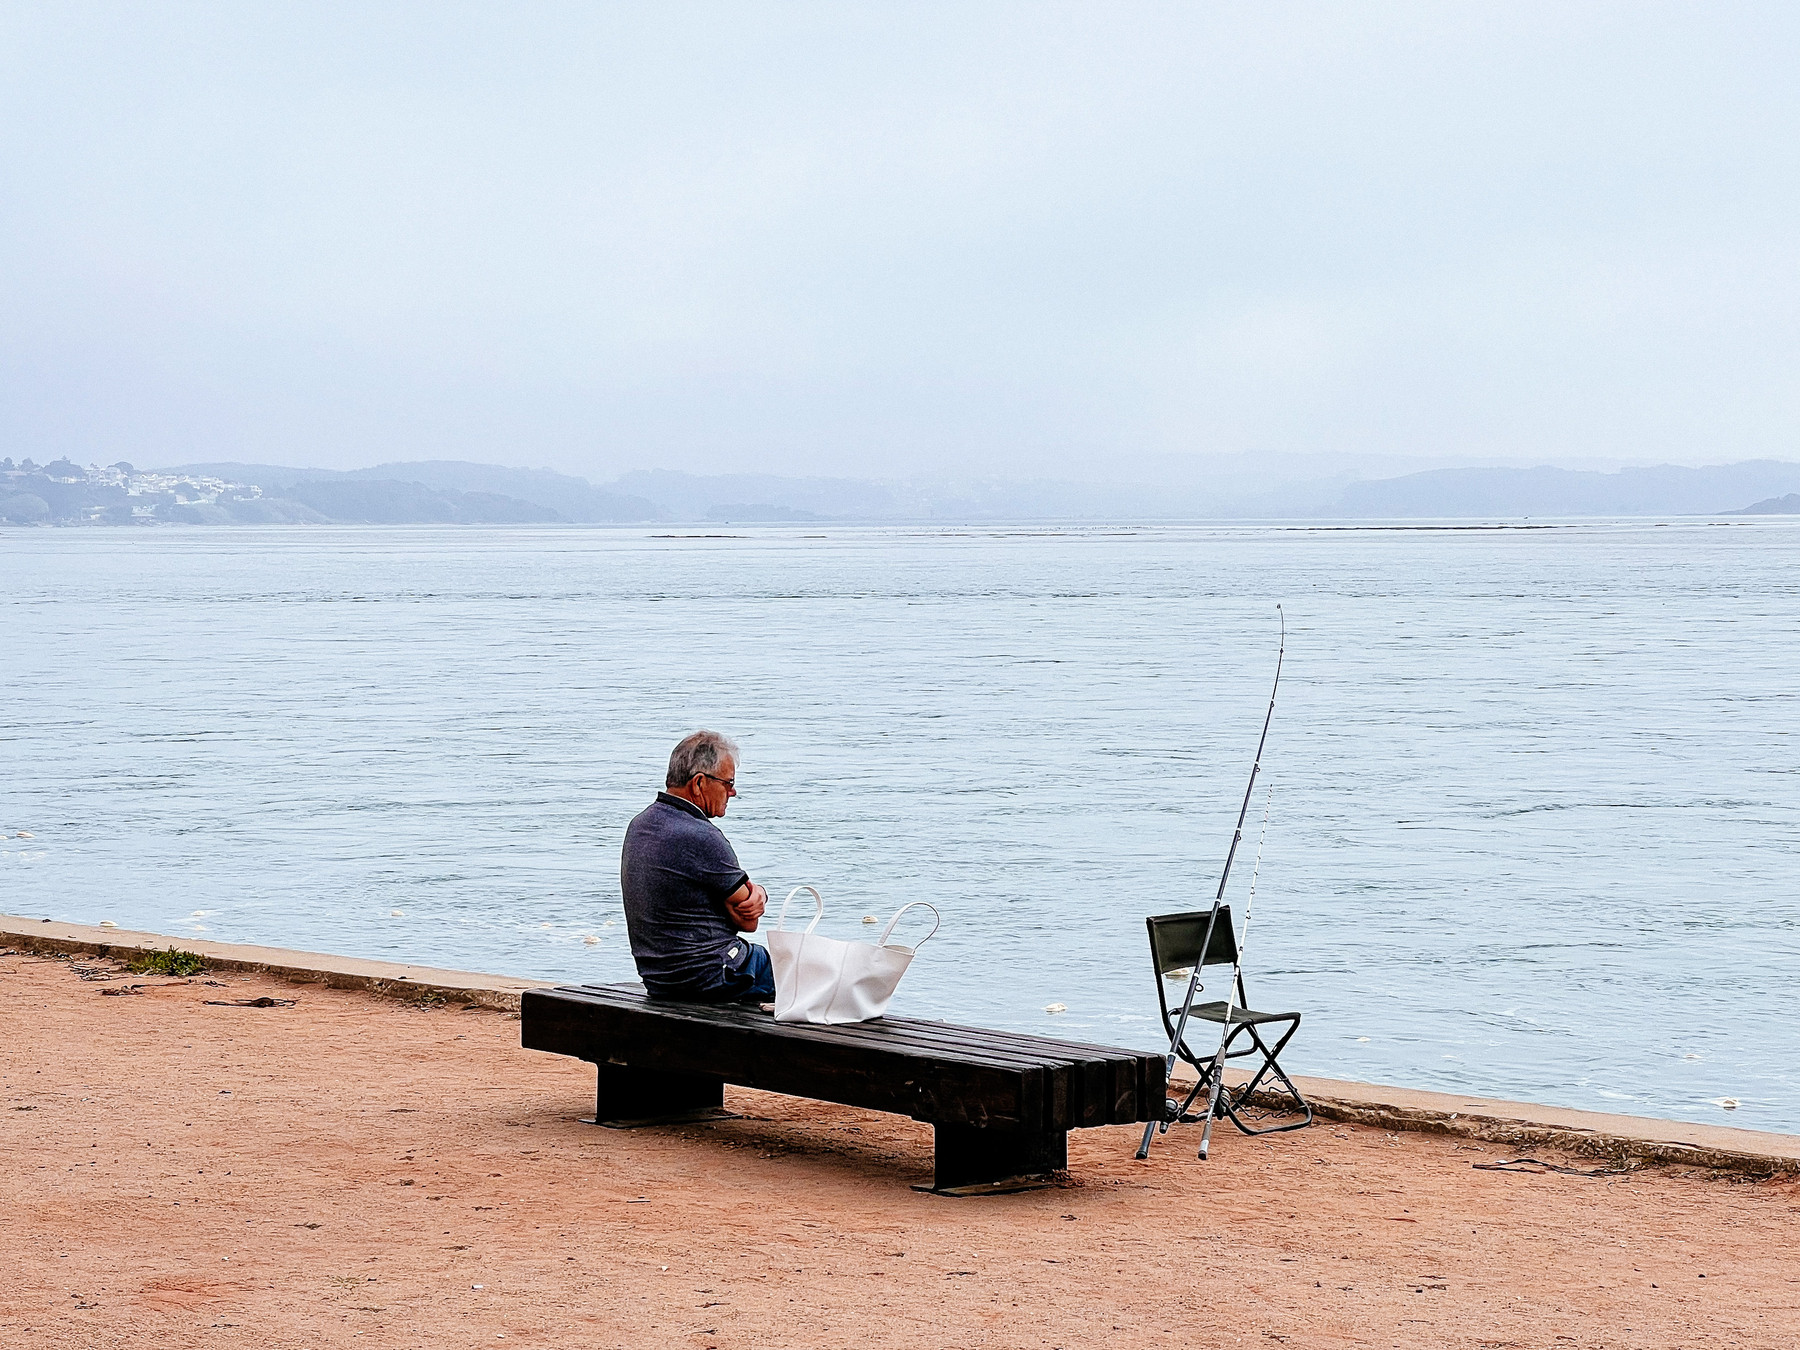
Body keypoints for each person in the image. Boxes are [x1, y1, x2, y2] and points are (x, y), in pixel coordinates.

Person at [620, 730, 773, 1003]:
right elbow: (749, 921)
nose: (733, 792)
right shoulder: (702, 836)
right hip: (715, 975)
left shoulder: (640, 826)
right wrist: (759, 893)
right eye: (728, 783)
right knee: (808, 972)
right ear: (699, 783)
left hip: (660, 980)